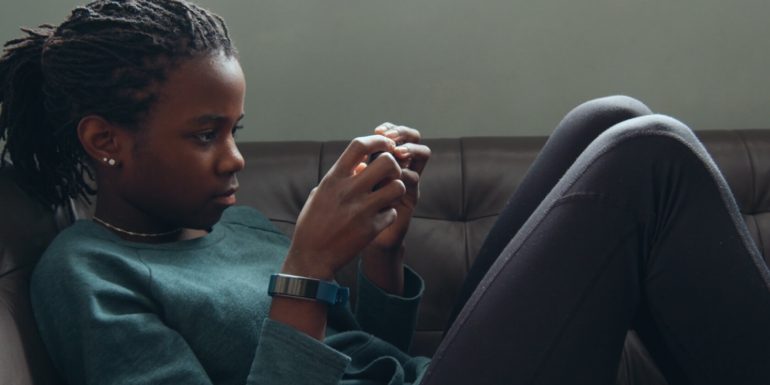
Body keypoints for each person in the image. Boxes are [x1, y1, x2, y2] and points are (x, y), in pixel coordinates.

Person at [1, 1, 769, 384]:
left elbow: (368, 356)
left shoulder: (225, 228)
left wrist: (380, 256)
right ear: (106, 142)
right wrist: (302, 273)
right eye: (207, 135)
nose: (235, 160)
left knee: (611, 119)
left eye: (237, 129)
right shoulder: (86, 274)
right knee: (648, 154)